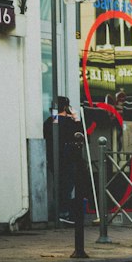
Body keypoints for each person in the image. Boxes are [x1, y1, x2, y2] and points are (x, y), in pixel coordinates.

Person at [42, 95, 80, 225]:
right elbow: (81, 135)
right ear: (66, 107)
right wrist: (76, 118)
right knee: (67, 186)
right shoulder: (70, 122)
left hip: (53, 157)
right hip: (68, 157)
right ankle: (64, 213)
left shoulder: (49, 121)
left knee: (58, 185)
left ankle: (58, 212)